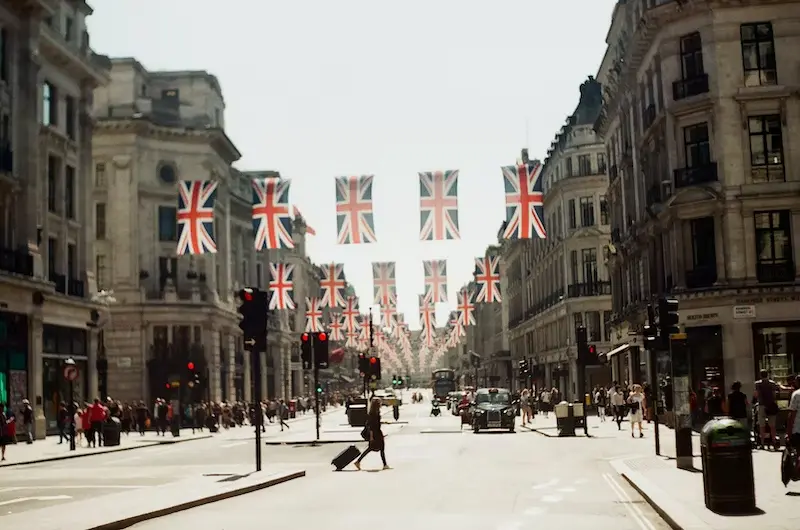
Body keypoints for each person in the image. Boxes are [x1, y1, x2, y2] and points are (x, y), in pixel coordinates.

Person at [354, 398, 389, 471]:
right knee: (377, 447)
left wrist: (383, 422)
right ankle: (385, 464)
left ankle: (358, 461)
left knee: (373, 448)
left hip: (377, 432)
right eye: (379, 403)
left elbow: (375, 423)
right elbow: (371, 426)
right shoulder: (373, 414)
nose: (381, 404)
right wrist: (371, 437)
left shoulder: (375, 413)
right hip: (375, 433)